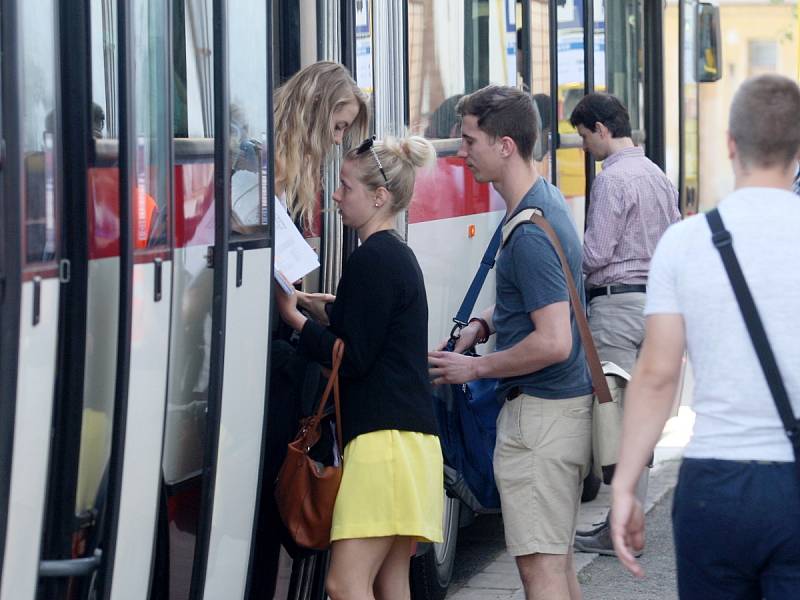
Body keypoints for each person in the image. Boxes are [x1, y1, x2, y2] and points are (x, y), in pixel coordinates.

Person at [610, 74, 800, 598]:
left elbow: (657, 374)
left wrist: (625, 484)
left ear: (731, 143)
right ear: (796, 147)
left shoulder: (686, 242)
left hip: (714, 486)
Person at [428, 85, 593, 600]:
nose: (460, 151)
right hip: (558, 414)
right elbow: (539, 303)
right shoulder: (543, 205)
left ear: (504, 145)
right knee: (557, 567)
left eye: (469, 139)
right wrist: (486, 325)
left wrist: (473, 368)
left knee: (540, 575)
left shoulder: (528, 233)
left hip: (541, 422)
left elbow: (554, 341)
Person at [275, 135, 444, 600]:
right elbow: (373, 331)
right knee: (392, 584)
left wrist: (293, 318)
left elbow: (353, 358)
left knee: (345, 582)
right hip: (412, 446)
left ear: (379, 197)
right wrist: (328, 309)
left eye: (345, 187)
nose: (335, 196)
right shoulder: (397, 255)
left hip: (382, 446)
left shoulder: (372, 258)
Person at [567, 92, 680, 555]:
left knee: (613, 422)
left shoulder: (612, 180)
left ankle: (618, 527)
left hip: (614, 306)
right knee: (642, 421)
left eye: (583, 136)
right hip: (654, 306)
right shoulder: (657, 175)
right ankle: (627, 522)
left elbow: (595, 255)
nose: (584, 147)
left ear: (601, 129)